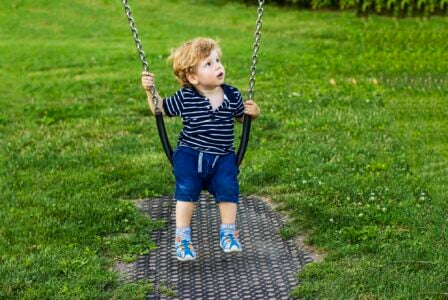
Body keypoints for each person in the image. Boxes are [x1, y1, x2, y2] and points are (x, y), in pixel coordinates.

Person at [141, 37, 260, 261]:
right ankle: (182, 238)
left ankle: (228, 233)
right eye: (208, 64)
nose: (218, 66)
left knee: (228, 187)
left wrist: (252, 113)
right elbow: (161, 108)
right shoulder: (186, 97)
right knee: (186, 189)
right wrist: (150, 91)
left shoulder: (232, 94)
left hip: (223, 155)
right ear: (192, 77)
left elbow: (241, 118)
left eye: (217, 60)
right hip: (190, 153)